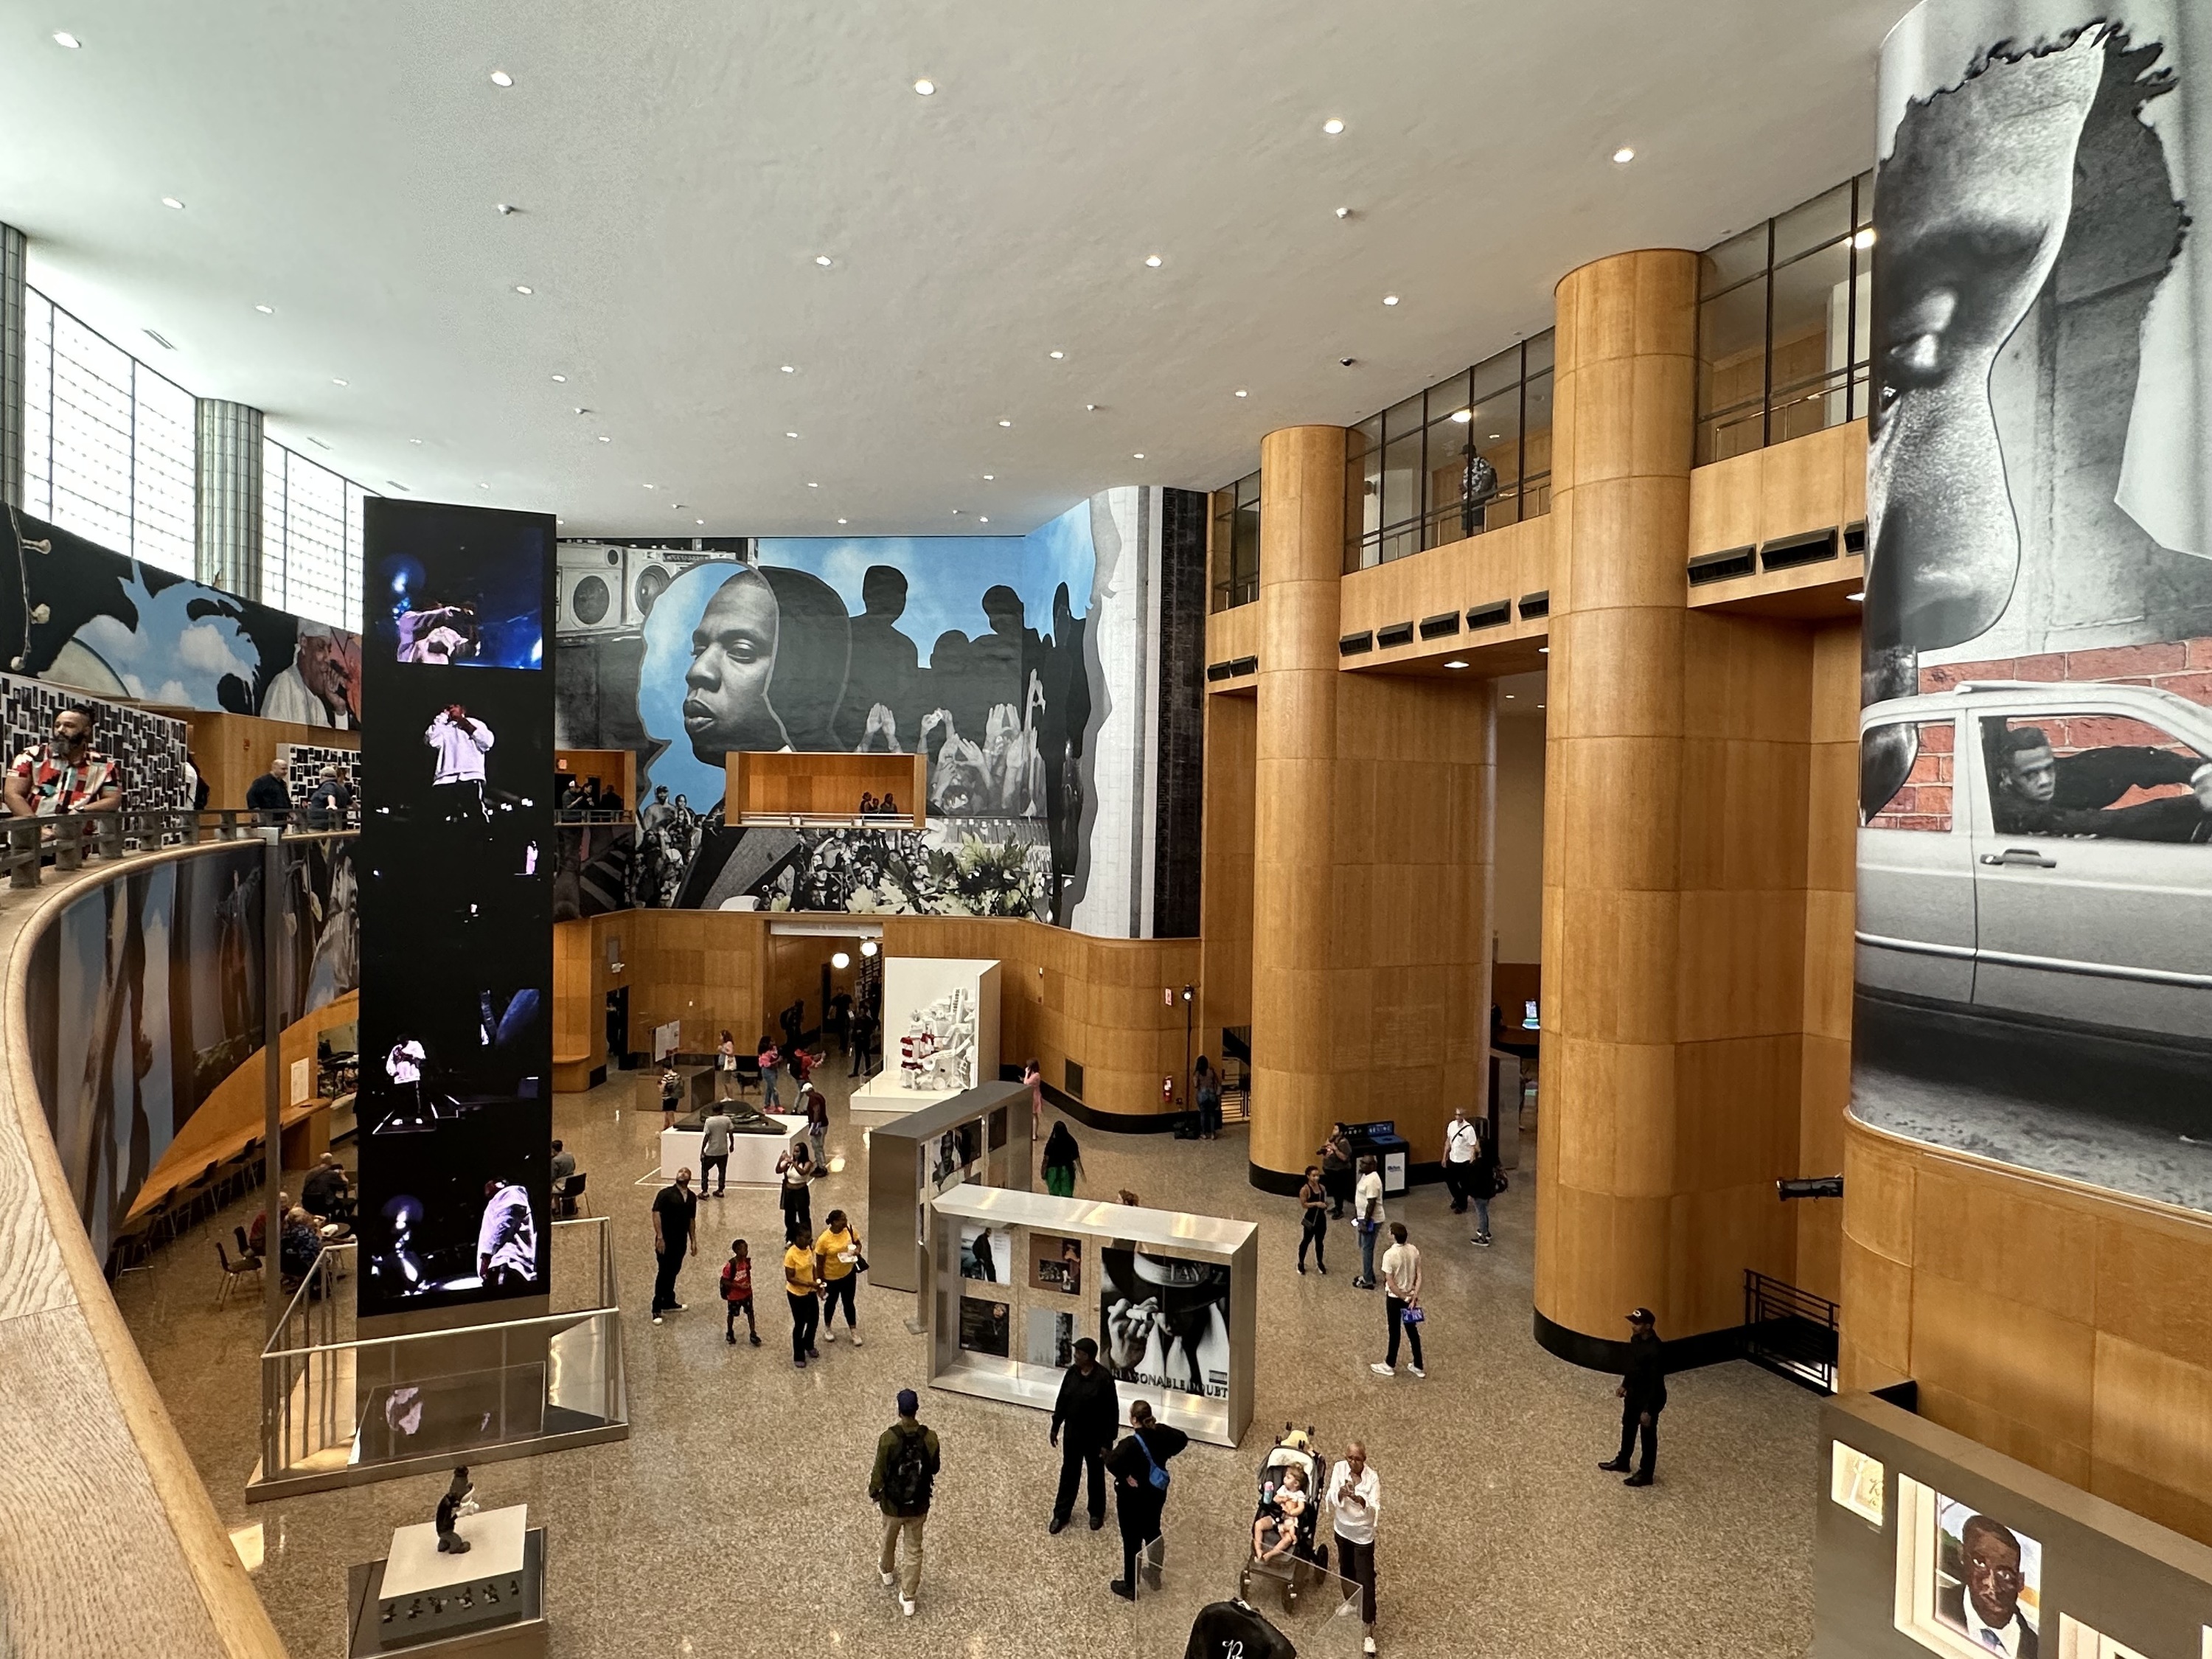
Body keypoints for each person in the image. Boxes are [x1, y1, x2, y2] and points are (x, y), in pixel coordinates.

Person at [1106, 1399, 1187, 1599]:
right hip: (1156, 1494)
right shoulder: (1162, 1432)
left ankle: (1130, 1586)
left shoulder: (1130, 1444)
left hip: (1132, 1498)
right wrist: (1167, 1455)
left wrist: (1126, 1475)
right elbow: (1183, 1439)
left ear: (1134, 1419)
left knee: (1132, 1540)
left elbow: (1111, 1462)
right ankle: (1154, 1575)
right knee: (1153, 1532)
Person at [870, 1388, 941, 1617]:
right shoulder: (930, 1437)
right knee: (914, 1549)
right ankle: (909, 1597)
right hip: (919, 1505)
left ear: (899, 1410)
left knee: (888, 1538)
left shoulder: (888, 1438)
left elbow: (879, 1470)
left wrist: (874, 1491)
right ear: (917, 1409)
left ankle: (887, 1570)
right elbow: (935, 1468)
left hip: (893, 1505)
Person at [1938, 1514, 2039, 1658]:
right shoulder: (1932, 1601)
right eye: (1980, 1563)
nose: (1991, 1584)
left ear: (2020, 1582)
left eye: (2005, 1574)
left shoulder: (2039, 1651)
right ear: (1962, 1556)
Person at [1048, 1335, 1119, 1534]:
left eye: (1079, 1353)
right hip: (1073, 1435)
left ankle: (1096, 1512)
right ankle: (1061, 1514)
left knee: (1096, 1475)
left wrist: (1107, 1442)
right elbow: (1062, 1400)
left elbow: (1111, 1413)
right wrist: (1055, 1425)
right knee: (1069, 1473)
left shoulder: (1104, 1379)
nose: (1075, 1355)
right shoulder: (1071, 1374)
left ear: (1089, 1356)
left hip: (1095, 1437)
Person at [1600, 1307, 1667, 1486]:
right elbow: (1633, 1366)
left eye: (1637, 1324)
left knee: (1648, 1436)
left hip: (1649, 1398)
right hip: (1634, 1392)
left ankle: (1646, 1473)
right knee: (1628, 1426)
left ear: (1648, 1326)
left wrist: (1649, 1410)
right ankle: (1623, 1460)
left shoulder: (1656, 1350)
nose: (1633, 1326)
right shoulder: (1636, 1340)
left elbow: (1656, 1382)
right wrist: (1625, 1384)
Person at [1327, 1441, 1382, 1654]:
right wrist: (1341, 1493)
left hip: (1362, 1537)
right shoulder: (1339, 1469)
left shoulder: (1373, 1478)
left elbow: (1374, 1508)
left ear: (1364, 1460)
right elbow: (1331, 1495)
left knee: (1366, 1579)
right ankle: (1350, 1601)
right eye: (1349, 1457)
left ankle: (1368, 1629)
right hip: (1342, 1530)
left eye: (1357, 1459)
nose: (1352, 1462)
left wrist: (1359, 1499)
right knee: (1346, 1570)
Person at [1371, 1222, 1425, 1379]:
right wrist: (1413, 1296)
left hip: (1395, 1298)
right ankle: (1418, 1365)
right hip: (1411, 1296)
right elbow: (1419, 1274)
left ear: (1393, 1236)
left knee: (1394, 1330)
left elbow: (1390, 1281)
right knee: (1412, 1330)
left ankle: (1389, 1364)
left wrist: (1403, 1296)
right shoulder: (1414, 1250)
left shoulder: (1389, 1255)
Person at [649, 1168, 697, 1324]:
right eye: (680, 1172)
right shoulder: (665, 1194)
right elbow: (656, 1213)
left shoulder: (691, 1197)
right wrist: (660, 1237)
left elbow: (691, 1219)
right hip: (666, 1240)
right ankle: (657, 1306)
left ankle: (669, 1300)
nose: (682, 1173)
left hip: (680, 1241)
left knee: (674, 1270)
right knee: (664, 1271)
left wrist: (693, 1241)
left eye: (686, 1172)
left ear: (690, 1178)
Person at [815, 1208, 865, 1346]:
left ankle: (853, 1330)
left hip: (848, 1273)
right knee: (831, 1303)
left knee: (849, 1302)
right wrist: (820, 1282)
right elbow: (819, 1262)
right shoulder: (824, 1240)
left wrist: (857, 1251)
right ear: (835, 1222)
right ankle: (828, 1328)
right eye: (842, 1219)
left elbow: (858, 1243)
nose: (845, 1221)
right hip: (831, 1277)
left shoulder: (849, 1229)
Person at [784, 1224, 822, 1368]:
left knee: (814, 1320)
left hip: (810, 1291)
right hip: (797, 1294)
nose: (809, 1240)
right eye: (806, 1238)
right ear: (797, 1238)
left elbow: (813, 1267)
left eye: (809, 1237)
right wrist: (809, 1284)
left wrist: (817, 1284)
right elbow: (790, 1278)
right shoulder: (791, 1255)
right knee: (800, 1324)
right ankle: (798, 1354)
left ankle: (809, 1343)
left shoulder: (808, 1249)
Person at [1352, 1155, 1385, 1290]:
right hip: (1363, 1218)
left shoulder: (1373, 1181)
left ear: (1373, 1166)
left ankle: (1368, 1280)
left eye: (1365, 1164)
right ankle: (1369, 1274)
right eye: (1361, 1163)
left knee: (1367, 1249)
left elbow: (1371, 1204)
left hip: (1372, 1220)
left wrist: (1365, 1222)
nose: (1361, 1165)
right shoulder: (1366, 1176)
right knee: (1365, 1246)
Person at [720, 1237, 759, 1346]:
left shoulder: (747, 1262)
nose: (746, 1251)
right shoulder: (731, 1266)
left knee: (750, 1312)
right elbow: (725, 1280)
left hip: (747, 1294)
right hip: (734, 1296)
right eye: (744, 1249)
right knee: (732, 1313)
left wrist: (747, 1286)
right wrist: (739, 1286)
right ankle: (730, 1331)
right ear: (737, 1250)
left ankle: (753, 1332)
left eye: (747, 1249)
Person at [1441, 1107, 1480, 1214]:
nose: (1459, 1117)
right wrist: (1445, 1156)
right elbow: (1448, 1141)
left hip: (1464, 1160)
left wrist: (1472, 1161)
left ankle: (1462, 1205)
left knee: (1464, 1184)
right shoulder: (1451, 1125)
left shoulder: (1469, 1129)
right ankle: (1458, 1198)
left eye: (1461, 1115)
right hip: (1453, 1158)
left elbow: (1473, 1147)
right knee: (1450, 1181)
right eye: (1457, 1115)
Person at [776, 1141, 816, 1239]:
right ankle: (791, 1237)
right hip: (789, 1192)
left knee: (803, 1216)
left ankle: (806, 1237)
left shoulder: (808, 1163)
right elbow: (778, 1170)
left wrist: (793, 1163)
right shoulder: (789, 1164)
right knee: (789, 1216)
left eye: (797, 1152)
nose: (795, 1154)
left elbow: (803, 1172)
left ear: (802, 1153)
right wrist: (780, 1160)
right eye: (794, 1151)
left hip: (801, 1193)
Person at [1469, 1125, 1500, 1248]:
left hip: (1480, 1192)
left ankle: (1483, 1237)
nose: (1475, 1146)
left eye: (1477, 1144)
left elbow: (1471, 1175)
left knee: (1481, 1213)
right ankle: (1486, 1231)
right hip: (1488, 1190)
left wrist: (1472, 1156)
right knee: (1484, 1211)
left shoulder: (1478, 1163)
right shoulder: (1490, 1160)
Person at [1297, 1164, 1329, 1275]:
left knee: (1319, 1242)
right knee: (1306, 1241)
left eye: (1318, 1175)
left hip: (1321, 1219)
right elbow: (1304, 1204)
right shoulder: (1305, 1189)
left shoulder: (1322, 1188)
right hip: (1310, 1219)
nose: (1316, 1178)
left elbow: (1325, 1201)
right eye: (1313, 1176)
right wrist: (1316, 1204)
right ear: (1308, 1176)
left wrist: (1325, 1205)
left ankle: (1320, 1262)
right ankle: (1301, 1262)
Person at [302, 1154, 353, 1222]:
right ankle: (341, 1220)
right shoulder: (332, 1174)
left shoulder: (310, 1172)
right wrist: (342, 1175)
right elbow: (343, 1185)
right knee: (351, 1202)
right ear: (330, 1162)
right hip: (325, 1204)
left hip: (307, 1203)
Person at [699, 1102, 734, 1197]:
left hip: (712, 1151)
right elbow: (731, 1133)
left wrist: (702, 1150)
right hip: (723, 1151)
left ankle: (705, 1191)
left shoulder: (709, 1121)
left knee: (705, 1170)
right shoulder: (727, 1120)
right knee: (722, 1171)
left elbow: (707, 1136)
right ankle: (720, 1190)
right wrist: (732, 1145)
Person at [1040, 1121, 1082, 1198]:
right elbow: (1077, 1157)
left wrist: (1043, 1171)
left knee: (1054, 1194)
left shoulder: (1051, 1143)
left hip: (1052, 1170)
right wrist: (1081, 1172)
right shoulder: (1071, 1141)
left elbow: (1046, 1158)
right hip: (1066, 1170)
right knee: (1067, 1192)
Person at [244, 756, 291, 824]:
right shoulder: (262, 781)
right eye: (283, 769)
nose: (285, 772)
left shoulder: (282, 783)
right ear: (274, 768)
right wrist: (255, 811)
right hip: (266, 816)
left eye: (287, 769)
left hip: (281, 818)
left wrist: (290, 811)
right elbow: (251, 795)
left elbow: (286, 799)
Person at [1320, 1124, 1354, 1219]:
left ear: (1341, 1132)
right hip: (1330, 1170)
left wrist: (1335, 1149)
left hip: (1339, 1171)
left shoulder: (1344, 1143)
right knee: (1335, 1191)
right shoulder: (1332, 1140)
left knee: (1339, 1191)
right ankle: (1336, 1207)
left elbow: (1345, 1158)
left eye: (1336, 1129)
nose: (1333, 1130)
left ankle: (1339, 1210)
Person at [306, 765, 355, 830]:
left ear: (323, 777)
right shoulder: (342, 789)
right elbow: (352, 803)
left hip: (321, 826)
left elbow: (330, 794)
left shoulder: (328, 785)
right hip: (337, 825)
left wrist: (331, 805)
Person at [1193, 1056, 1222, 1140]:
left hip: (1202, 1095)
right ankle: (1213, 1133)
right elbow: (1217, 1081)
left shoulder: (1197, 1073)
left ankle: (1204, 1133)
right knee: (1212, 1114)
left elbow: (1195, 1085)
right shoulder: (1211, 1071)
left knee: (1203, 1114)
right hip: (1212, 1094)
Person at [802, 1081, 829, 1166]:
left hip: (818, 1125)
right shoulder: (819, 1096)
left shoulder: (812, 1098)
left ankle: (820, 1165)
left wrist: (814, 1125)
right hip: (824, 1123)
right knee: (820, 1145)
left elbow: (816, 1110)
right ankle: (823, 1162)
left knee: (816, 1146)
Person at [549, 1139, 577, 1215]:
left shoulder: (555, 1161)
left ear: (553, 1149)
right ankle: (574, 1206)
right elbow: (574, 1167)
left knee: (553, 1189)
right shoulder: (570, 1156)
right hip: (573, 1181)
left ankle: (557, 1210)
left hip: (562, 1184)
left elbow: (553, 1176)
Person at [757, 1034, 782, 1110]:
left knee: (769, 1088)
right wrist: (778, 1061)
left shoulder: (773, 1050)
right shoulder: (765, 1054)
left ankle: (767, 1104)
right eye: (771, 1041)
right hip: (767, 1071)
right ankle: (777, 1105)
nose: (773, 1042)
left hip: (774, 1071)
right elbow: (767, 1065)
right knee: (774, 1088)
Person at [1023, 1057, 1044, 1136]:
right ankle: (1032, 1132)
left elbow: (1026, 1083)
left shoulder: (1036, 1075)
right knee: (1031, 1115)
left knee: (1034, 1115)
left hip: (1034, 1096)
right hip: (1031, 1095)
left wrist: (1026, 1073)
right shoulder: (1032, 1075)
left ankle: (1034, 1134)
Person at [716, 1030, 739, 1100]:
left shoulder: (729, 1043)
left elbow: (731, 1053)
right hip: (722, 1064)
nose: (720, 1037)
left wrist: (722, 1050)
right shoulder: (724, 1044)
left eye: (721, 1036)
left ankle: (730, 1097)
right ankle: (726, 1096)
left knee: (727, 1082)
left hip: (726, 1065)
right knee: (724, 1081)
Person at [659, 1063, 682, 1130]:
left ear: (665, 1068)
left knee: (671, 1117)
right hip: (675, 1098)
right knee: (667, 1114)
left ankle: (672, 1131)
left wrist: (659, 1087)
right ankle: (665, 1128)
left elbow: (662, 1089)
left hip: (667, 1099)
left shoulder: (666, 1077)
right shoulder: (677, 1075)